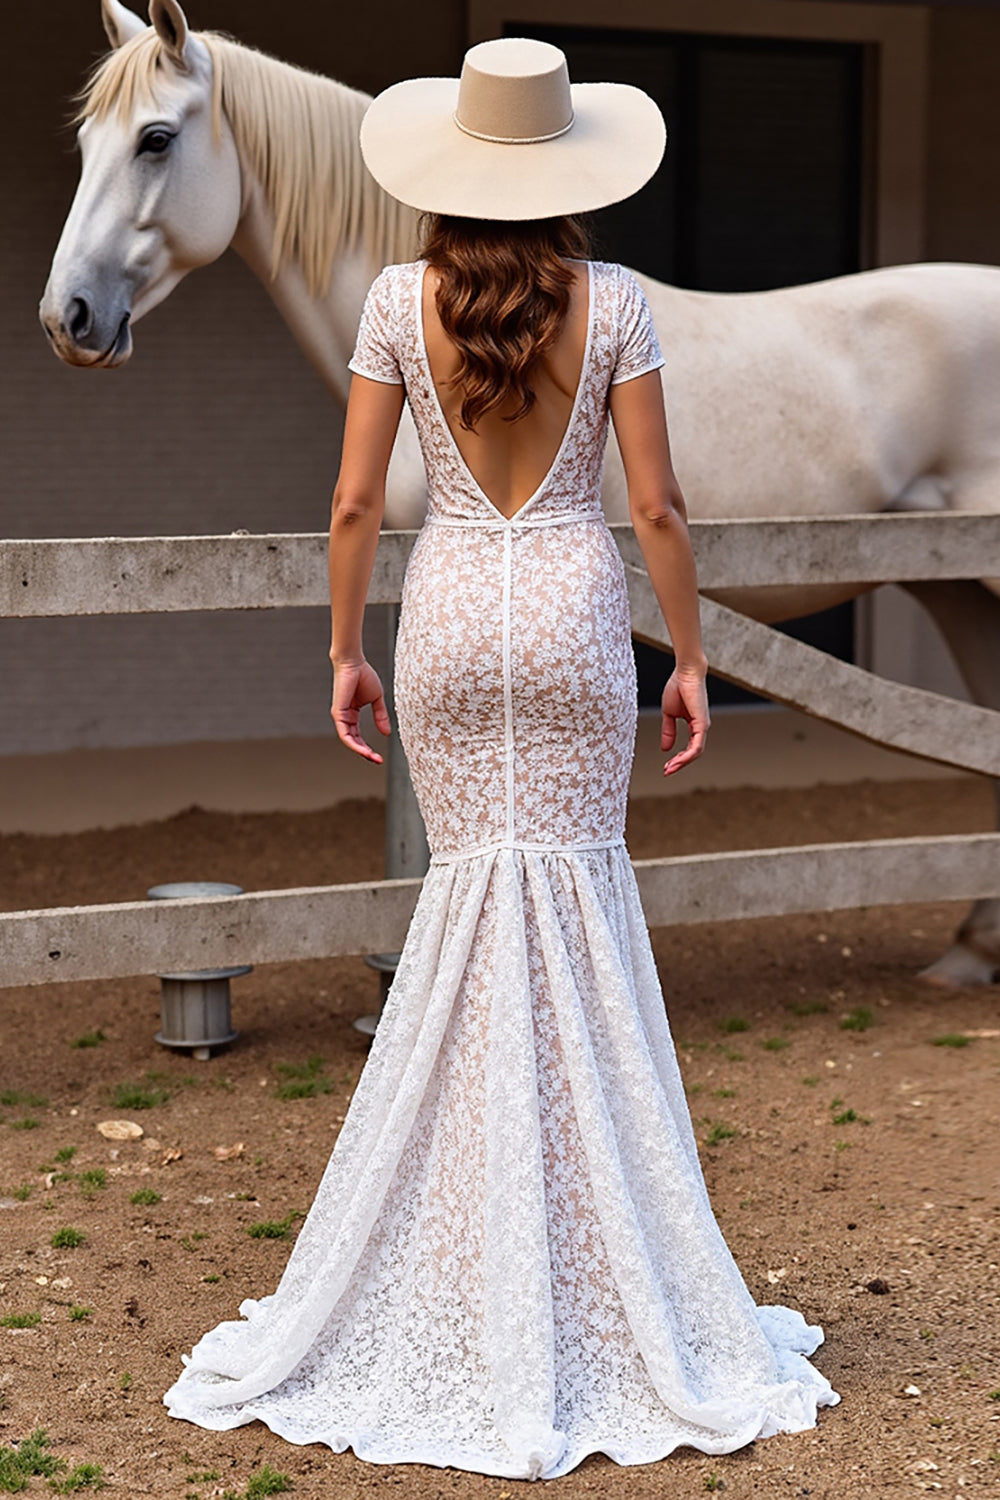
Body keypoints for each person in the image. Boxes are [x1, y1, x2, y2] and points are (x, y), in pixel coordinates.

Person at [163, 36, 840, 1480]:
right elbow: (656, 507)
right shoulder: (621, 303)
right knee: (576, 905)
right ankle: (586, 1246)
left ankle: (467, 1248)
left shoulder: (395, 301)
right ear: (569, 170)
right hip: (577, 617)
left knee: (470, 907)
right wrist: (692, 656)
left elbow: (356, 502)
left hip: (458, 616)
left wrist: (342, 649)